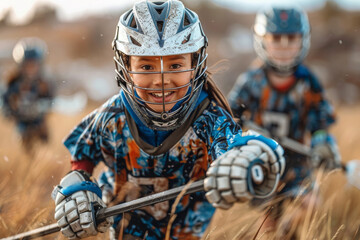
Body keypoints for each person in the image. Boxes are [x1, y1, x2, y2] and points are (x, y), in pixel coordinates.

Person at [51, 1, 286, 239]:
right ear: (126, 67)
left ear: (195, 64)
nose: (161, 80)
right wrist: (77, 191)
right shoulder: (112, 116)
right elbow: (82, 157)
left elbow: (233, 148)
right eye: (146, 65)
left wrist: (249, 158)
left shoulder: (209, 118)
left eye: (175, 64)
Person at [227, 5, 341, 235]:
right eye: (276, 38)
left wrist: (322, 141)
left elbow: (320, 121)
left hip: (298, 164)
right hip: (264, 162)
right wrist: (236, 136)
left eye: (292, 38)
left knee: (311, 206)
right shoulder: (252, 81)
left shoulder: (308, 82)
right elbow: (231, 116)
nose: (284, 45)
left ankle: (287, 233)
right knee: (269, 219)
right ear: (262, 39)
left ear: (303, 40)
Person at [2, 37, 54, 153]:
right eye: (28, 66)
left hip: (39, 124)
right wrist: (13, 109)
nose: (31, 69)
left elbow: (52, 101)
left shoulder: (43, 84)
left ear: (40, 66)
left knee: (44, 147)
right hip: (22, 125)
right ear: (21, 66)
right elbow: (5, 106)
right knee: (25, 143)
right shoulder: (13, 84)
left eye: (34, 65)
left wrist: (42, 106)